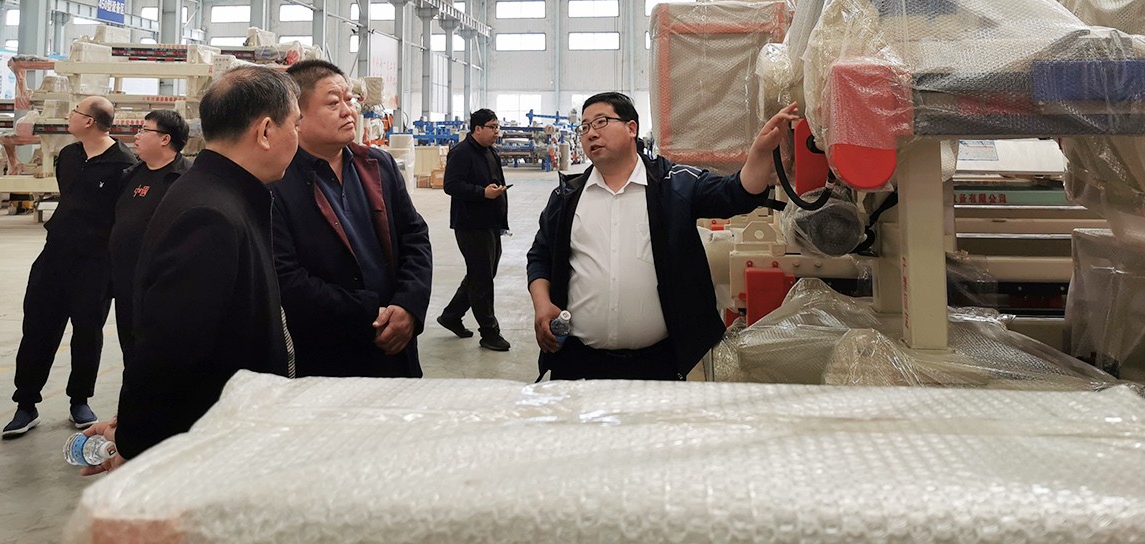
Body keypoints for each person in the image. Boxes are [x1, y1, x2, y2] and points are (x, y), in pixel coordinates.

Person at [87, 66, 303, 468]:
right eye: (296, 124)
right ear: (266, 131)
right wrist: (135, 440)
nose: (298, 136)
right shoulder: (211, 215)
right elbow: (167, 350)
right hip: (213, 444)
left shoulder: (222, 193)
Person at [526, 92, 798, 381]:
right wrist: (542, 305)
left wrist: (759, 154)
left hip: (657, 363)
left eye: (601, 122)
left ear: (631, 128)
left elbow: (735, 194)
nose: (591, 133)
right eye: (585, 127)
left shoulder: (674, 184)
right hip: (578, 363)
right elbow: (540, 256)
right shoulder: (567, 197)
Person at [270, 60, 432, 378]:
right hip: (329, 355)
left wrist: (408, 305)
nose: (349, 111)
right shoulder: (278, 183)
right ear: (298, 116)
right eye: (334, 103)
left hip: (397, 342)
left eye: (350, 100)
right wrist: (369, 313)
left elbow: (414, 235)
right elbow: (287, 278)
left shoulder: (378, 165)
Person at [3, 95, 135, 439]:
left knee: (87, 332)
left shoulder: (124, 164)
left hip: (95, 262)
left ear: (89, 121)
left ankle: (80, 399)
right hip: (55, 255)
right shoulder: (69, 155)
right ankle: (26, 404)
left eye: (75, 111)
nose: (70, 116)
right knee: (37, 328)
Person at [108, 109, 191, 355]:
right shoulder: (131, 175)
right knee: (130, 347)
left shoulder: (185, 179)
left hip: (163, 285)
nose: (137, 136)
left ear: (165, 139)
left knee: (159, 351)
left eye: (144, 130)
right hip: (126, 282)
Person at [437, 108, 510, 351]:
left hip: (490, 222)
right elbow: (451, 185)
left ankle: (451, 315)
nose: (496, 132)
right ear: (477, 128)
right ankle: (489, 332)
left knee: (483, 274)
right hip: (471, 224)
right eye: (492, 127)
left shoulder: (490, 151)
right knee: (482, 280)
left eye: (497, 127)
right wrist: (482, 193)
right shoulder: (461, 153)